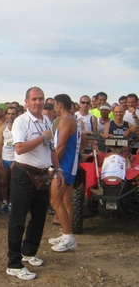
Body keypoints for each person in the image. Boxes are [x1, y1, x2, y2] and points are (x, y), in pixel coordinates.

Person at [7, 87, 63, 281]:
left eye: (40, 99)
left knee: (39, 217)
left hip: (43, 175)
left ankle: (28, 252)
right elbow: (20, 149)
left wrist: (58, 170)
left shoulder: (46, 120)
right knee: (18, 219)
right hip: (24, 174)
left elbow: (52, 148)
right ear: (26, 102)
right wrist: (42, 137)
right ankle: (13, 264)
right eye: (34, 99)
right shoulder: (21, 122)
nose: (38, 102)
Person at [48, 94, 82, 252]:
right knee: (66, 202)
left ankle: (68, 237)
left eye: (55, 105)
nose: (54, 108)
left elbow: (60, 147)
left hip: (64, 167)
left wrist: (51, 166)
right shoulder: (75, 121)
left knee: (55, 201)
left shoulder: (65, 121)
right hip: (71, 166)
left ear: (60, 106)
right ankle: (66, 234)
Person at [0, 106, 18, 214]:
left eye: (13, 114)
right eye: (9, 113)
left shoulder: (19, 127)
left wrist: (17, 160)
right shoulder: (2, 127)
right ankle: (4, 202)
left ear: (16, 115)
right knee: (3, 182)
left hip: (15, 159)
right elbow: (0, 144)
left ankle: (12, 204)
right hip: (4, 158)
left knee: (13, 183)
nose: (10, 116)